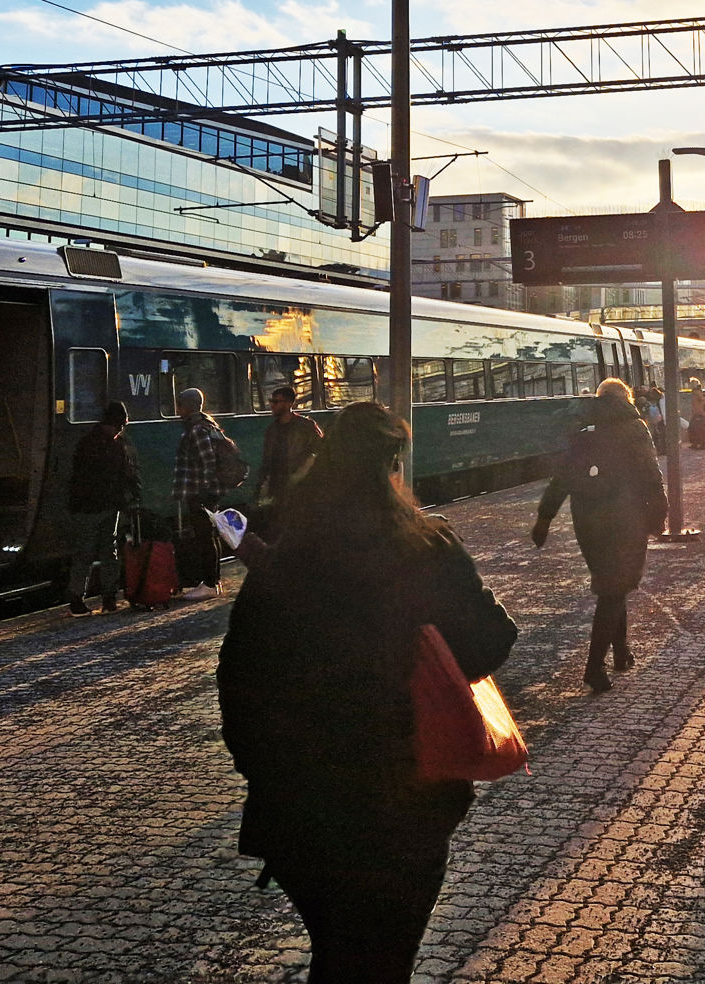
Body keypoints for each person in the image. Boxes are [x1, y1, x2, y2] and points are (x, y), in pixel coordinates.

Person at [217, 401, 517, 984]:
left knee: (336, 954)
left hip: (301, 802)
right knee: (383, 958)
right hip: (407, 798)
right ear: (392, 464)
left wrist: (264, 769)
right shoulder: (428, 547)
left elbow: (239, 680)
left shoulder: (287, 560)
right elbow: (491, 641)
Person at [532, 378, 667, 694]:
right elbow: (651, 475)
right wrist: (659, 516)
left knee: (613, 586)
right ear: (627, 398)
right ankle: (595, 667)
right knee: (614, 590)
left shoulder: (582, 428)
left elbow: (562, 477)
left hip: (587, 521)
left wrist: (544, 518)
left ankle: (621, 653)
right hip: (625, 518)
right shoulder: (634, 427)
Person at [66, 401, 141, 615]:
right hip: (93, 508)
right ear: (109, 424)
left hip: (100, 507)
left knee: (97, 552)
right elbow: (122, 475)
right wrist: (128, 497)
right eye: (118, 426)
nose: (120, 430)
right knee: (98, 552)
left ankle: (101, 597)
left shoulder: (94, 442)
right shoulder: (104, 445)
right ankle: (91, 597)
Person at [173, 387, 247, 602]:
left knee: (205, 537)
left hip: (201, 493)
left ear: (187, 406)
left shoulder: (196, 430)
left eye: (180, 404)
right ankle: (212, 581)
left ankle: (210, 584)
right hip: (205, 492)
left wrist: (203, 494)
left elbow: (208, 463)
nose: (178, 409)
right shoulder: (207, 425)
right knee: (209, 536)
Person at [253, 384, 326, 537]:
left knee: (298, 528)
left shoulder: (305, 426)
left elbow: (321, 451)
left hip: (300, 486)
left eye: (276, 402)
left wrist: (304, 472)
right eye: (271, 401)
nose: (272, 405)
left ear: (288, 404)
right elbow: (267, 460)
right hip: (278, 486)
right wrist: (261, 486)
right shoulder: (272, 430)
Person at [686, 378, 705, 451]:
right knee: (696, 429)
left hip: (700, 414)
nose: (690, 385)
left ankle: (700, 444)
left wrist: (699, 409)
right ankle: (698, 444)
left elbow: (702, 401)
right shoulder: (696, 392)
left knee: (695, 429)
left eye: (691, 384)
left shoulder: (697, 392)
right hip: (698, 413)